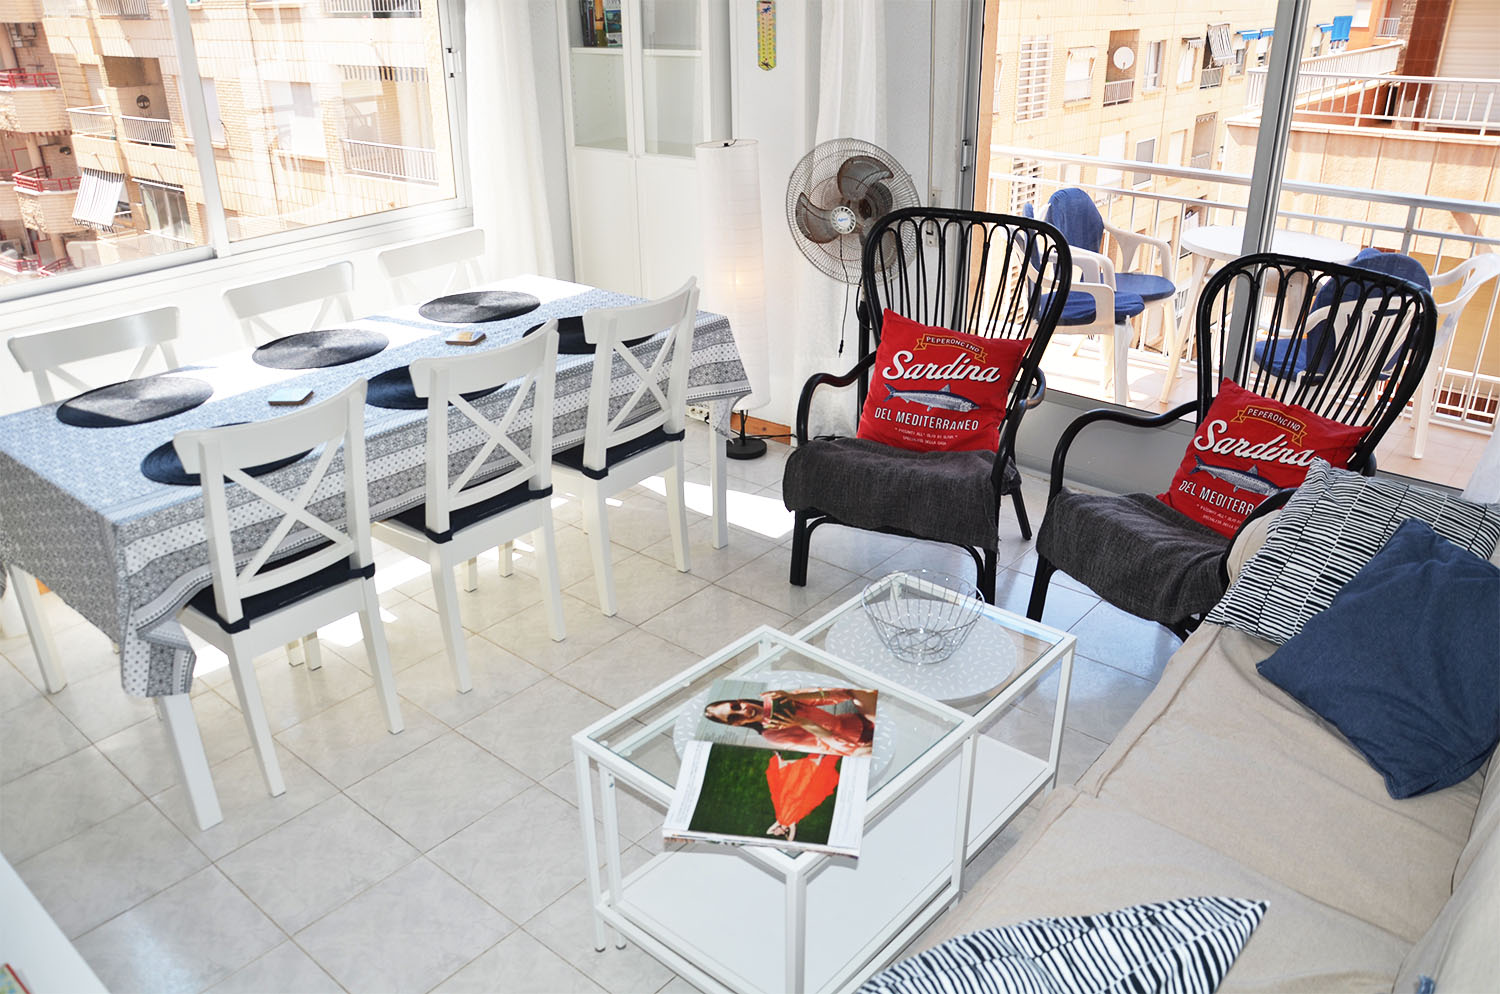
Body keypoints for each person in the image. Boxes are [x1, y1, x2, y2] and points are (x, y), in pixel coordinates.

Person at [703, 686, 876, 756]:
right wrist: (801, 722)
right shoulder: (772, 735)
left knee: (861, 688)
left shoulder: (777, 699)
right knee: (864, 755)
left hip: (861, 720)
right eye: (734, 717)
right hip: (855, 745)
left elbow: (840, 693)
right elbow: (831, 750)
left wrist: (794, 696)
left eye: (735, 706)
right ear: (737, 724)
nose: (744, 711)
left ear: (740, 700)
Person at [764, 752, 841, 842]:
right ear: (783, 832)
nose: (775, 831)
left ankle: (779, 758)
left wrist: (778, 831)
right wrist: (787, 837)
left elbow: (768, 832)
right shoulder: (790, 824)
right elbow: (791, 838)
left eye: (775, 831)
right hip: (797, 797)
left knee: (788, 778)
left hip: (786, 795)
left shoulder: (779, 821)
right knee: (805, 780)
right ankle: (819, 759)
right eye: (777, 833)